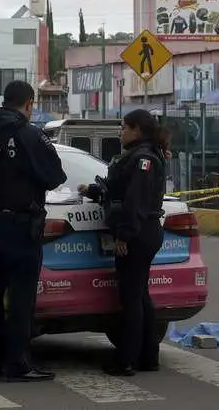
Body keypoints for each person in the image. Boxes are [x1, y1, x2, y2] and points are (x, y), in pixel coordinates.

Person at [0, 80, 67, 383]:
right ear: (29, 104)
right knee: (22, 298)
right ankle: (18, 363)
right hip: (21, 226)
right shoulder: (26, 132)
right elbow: (54, 175)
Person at [79, 109, 169, 376]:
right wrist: (94, 190)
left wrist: (123, 236)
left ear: (137, 130)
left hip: (138, 233)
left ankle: (126, 359)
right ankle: (148, 356)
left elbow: (136, 202)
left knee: (131, 297)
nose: (120, 132)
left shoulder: (143, 159)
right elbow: (119, 190)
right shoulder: (141, 156)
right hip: (144, 230)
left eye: (124, 128)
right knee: (140, 295)